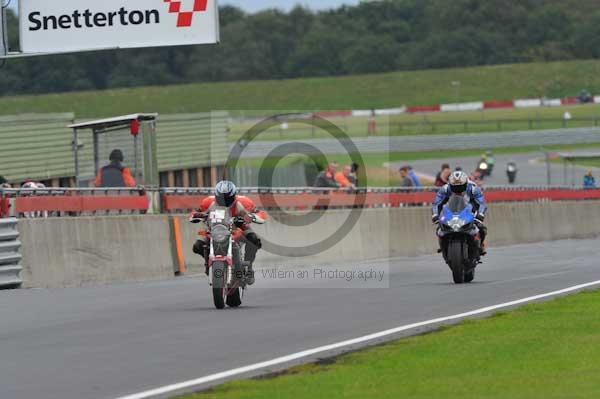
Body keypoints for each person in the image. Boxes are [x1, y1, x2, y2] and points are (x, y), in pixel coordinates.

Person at [190, 181, 267, 285]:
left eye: (227, 198)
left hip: (238, 228)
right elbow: (194, 213)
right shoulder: (208, 202)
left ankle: (249, 268)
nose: (224, 201)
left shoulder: (244, 202)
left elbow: (260, 214)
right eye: (221, 198)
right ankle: (208, 263)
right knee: (198, 245)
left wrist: (252, 217)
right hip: (215, 229)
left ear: (234, 196)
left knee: (254, 240)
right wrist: (197, 216)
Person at [432, 171, 488, 254]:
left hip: (470, 209)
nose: (457, 189)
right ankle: (443, 246)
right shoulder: (445, 189)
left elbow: (481, 203)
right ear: (450, 184)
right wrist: (435, 215)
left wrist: (480, 214)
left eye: (460, 186)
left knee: (481, 227)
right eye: (455, 187)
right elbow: (437, 203)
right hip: (453, 209)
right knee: (439, 228)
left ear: (465, 183)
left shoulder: (473, 188)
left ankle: (481, 245)